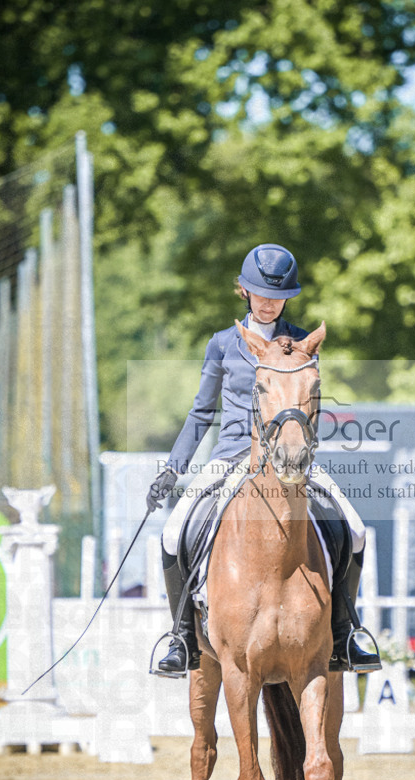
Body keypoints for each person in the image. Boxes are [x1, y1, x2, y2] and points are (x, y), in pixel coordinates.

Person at [146, 242, 381, 675]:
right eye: (260, 293)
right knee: (173, 532)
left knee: (357, 529)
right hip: (232, 454)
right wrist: (172, 468)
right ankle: (181, 637)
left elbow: (306, 406)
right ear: (244, 290)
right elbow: (202, 411)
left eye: (278, 296)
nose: (269, 303)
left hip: (291, 460)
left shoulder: (301, 343)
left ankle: (345, 632)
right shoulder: (221, 344)